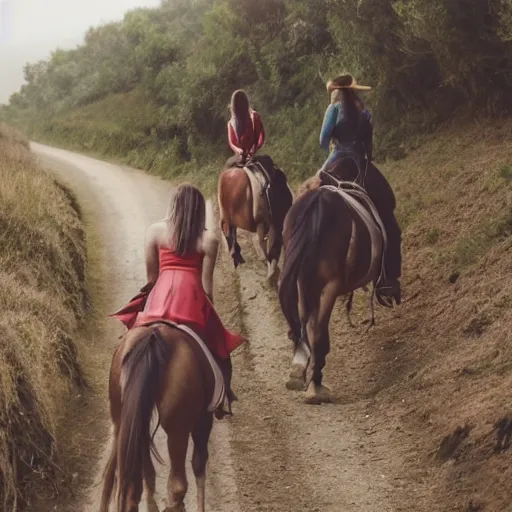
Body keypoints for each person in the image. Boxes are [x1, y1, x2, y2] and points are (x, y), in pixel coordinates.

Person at [110, 184, 245, 418]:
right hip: (190, 300)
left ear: (173, 206)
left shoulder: (154, 232)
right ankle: (222, 398)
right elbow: (206, 287)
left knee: (133, 335)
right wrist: (209, 309)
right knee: (219, 347)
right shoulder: (208, 240)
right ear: (198, 210)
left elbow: (151, 278)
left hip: (160, 297)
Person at [318, 73, 402, 305]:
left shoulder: (333, 109)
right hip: (360, 163)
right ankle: (388, 277)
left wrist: (335, 144)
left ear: (337, 91)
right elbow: (368, 144)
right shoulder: (364, 112)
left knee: (310, 196)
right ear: (353, 91)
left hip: (335, 158)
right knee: (387, 213)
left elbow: (323, 141)